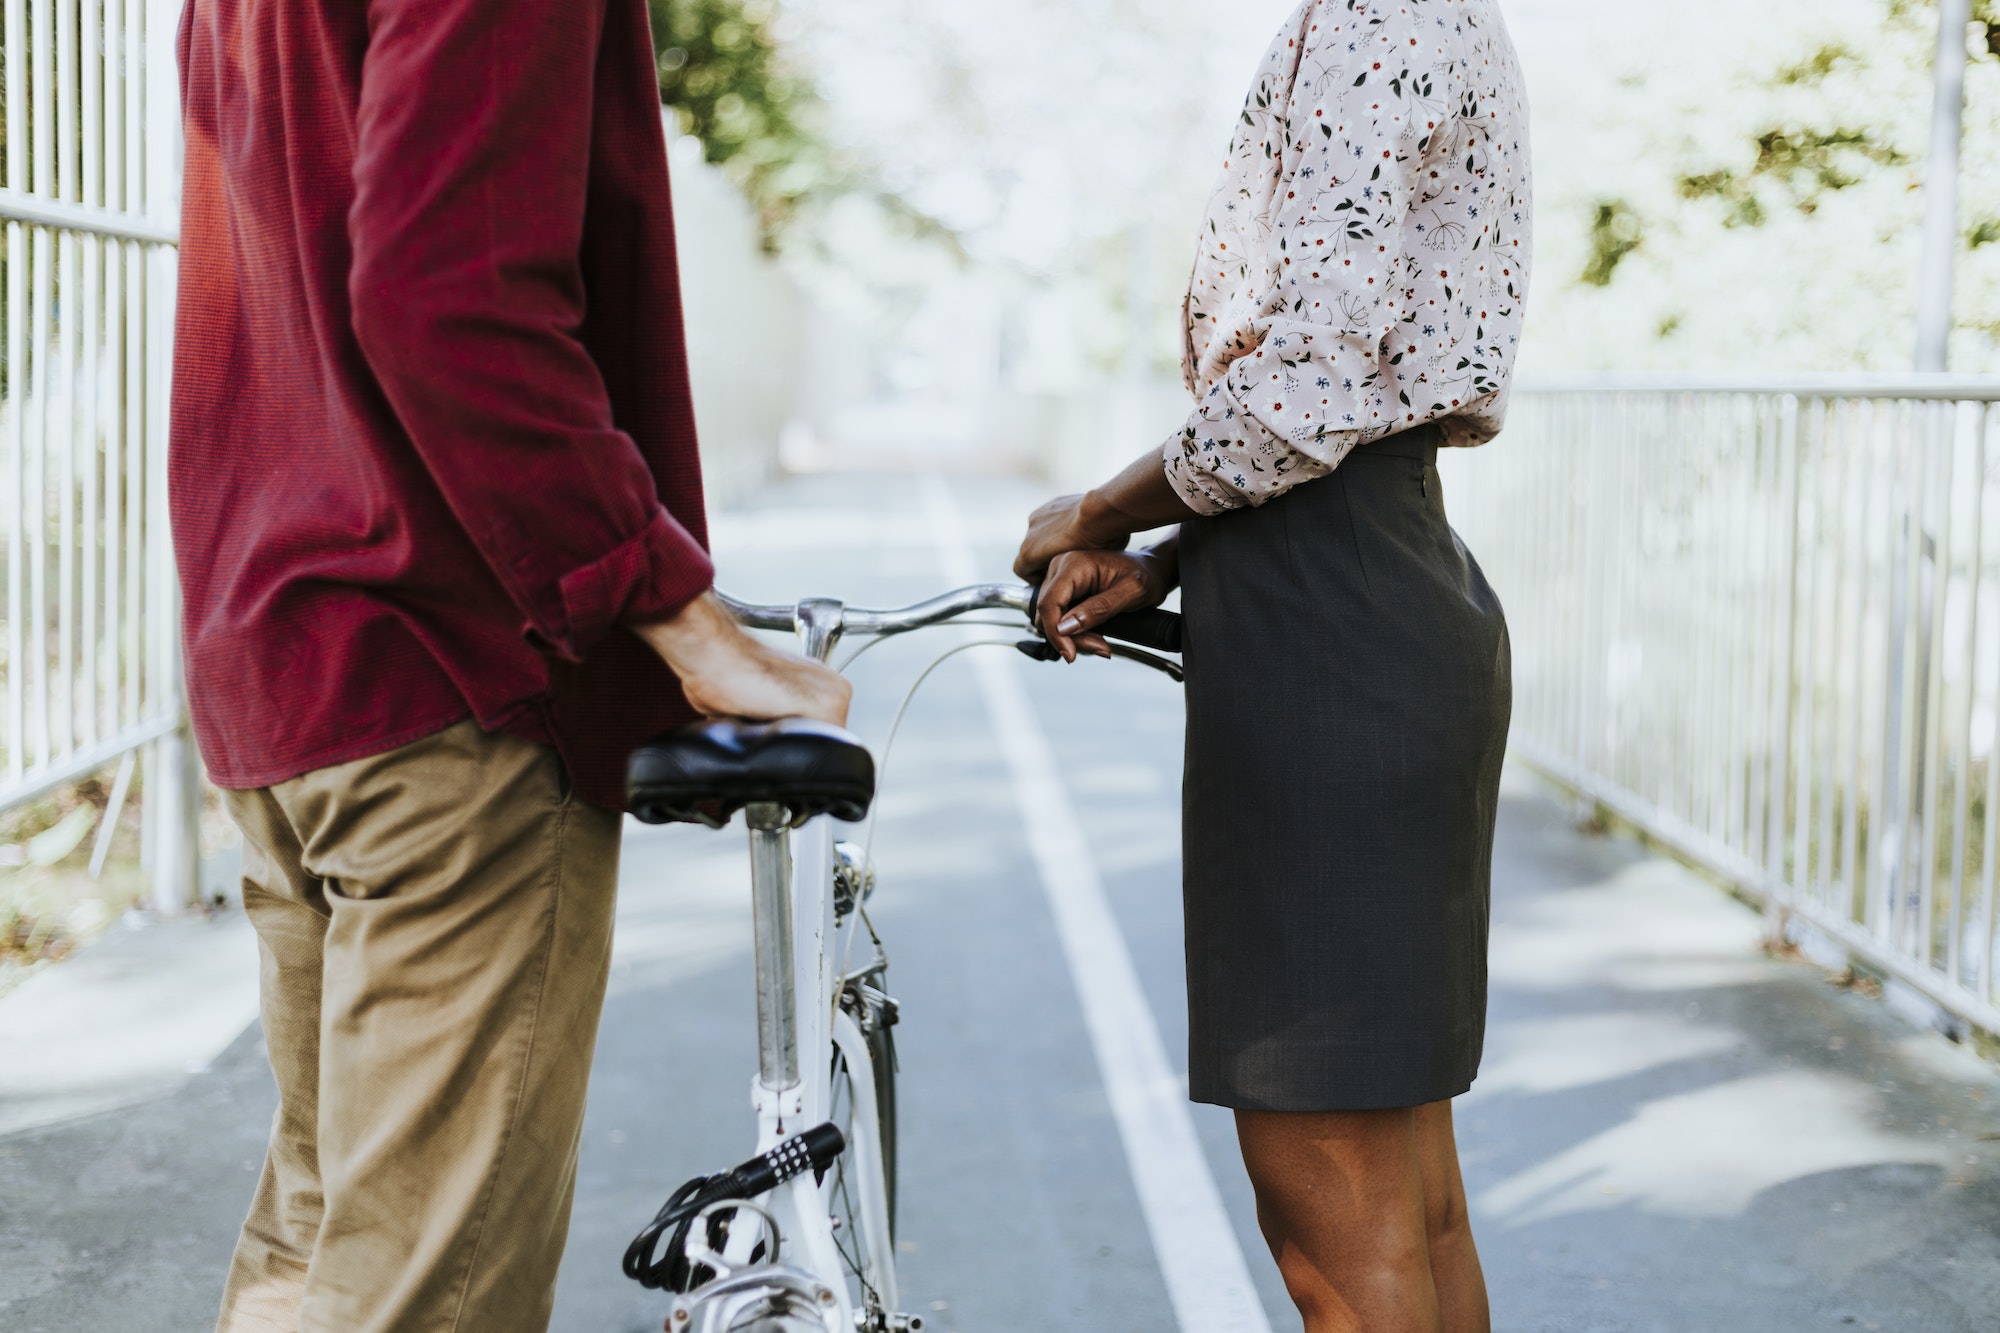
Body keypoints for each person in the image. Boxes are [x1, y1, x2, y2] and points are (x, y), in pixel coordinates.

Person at [171, 0, 846, 1326]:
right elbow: (449, 292)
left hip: (285, 651)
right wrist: (675, 609)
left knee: (315, 1263)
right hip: (449, 667)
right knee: (426, 1297)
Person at [1016, 2, 1531, 1330]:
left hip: (1330, 627)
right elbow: (1340, 404)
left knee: (1338, 1223)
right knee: (1406, 1196)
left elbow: (1303, 386)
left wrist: (1099, 512)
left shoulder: (1368, 24)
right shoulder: (1433, 16)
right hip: (1372, 583)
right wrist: (1189, 549)